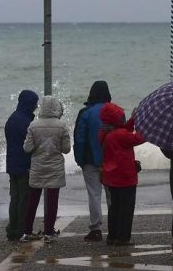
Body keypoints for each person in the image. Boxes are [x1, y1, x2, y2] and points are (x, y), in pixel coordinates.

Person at [20, 96, 71, 243]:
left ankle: (27, 232)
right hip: (54, 168)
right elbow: (66, 149)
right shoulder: (62, 126)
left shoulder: (33, 125)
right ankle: (49, 233)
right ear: (56, 108)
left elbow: (27, 148)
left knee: (33, 200)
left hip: (37, 167)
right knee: (52, 200)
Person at [98, 103, 145, 246]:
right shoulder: (119, 135)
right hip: (125, 177)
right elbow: (139, 138)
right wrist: (144, 127)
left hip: (111, 177)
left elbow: (124, 131)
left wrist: (133, 120)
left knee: (115, 208)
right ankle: (123, 238)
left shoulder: (105, 132)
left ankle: (112, 236)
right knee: (126, 209)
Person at [73, 80, 111, 241]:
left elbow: (79, 138)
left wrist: (79, 159)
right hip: (111, 159)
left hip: (90, 160)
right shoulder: (114, 111)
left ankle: (96, 228)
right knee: (112, 195)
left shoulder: (85, 113)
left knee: (94, 194)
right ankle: (116, 227)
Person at [4, 89, 39, 241]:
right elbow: (31, 145)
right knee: (24, 198)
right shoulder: (27, 122)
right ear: (29, 103)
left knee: (15, 197)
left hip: (12, 163)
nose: (36, 106)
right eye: (34, 103)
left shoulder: (12, 118)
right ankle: (21, 229)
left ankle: (12, 228)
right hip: (24, 164)